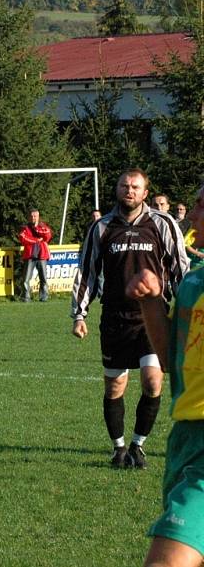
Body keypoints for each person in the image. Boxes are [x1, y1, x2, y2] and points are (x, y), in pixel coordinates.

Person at [71, 168, 188, 469]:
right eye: (124, 185)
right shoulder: (101, 228)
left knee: (152, 382)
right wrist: (79, 314)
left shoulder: (163, 224)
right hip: (114, 319)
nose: (129, 191)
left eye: (135, 186)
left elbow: (180, 269)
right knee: (114, 387)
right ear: (117, 189)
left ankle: (138, 445)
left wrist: (188, 307)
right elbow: (87, 271)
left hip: (153, 319)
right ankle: (119, 448)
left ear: (145, 193)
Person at [126, 185, 204, 567]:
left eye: (202, 206)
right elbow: (171, 359)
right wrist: (151, 303)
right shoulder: (193, 283)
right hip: (185, 438)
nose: (192, 216)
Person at [18, 208, 52, 302]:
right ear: (29, 217)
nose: (33, 218)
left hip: (42, 255)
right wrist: (37, 240)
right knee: (26, 278)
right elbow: (23, 239)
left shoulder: (43, 226)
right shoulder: (25, 228)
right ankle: (26, 297)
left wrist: (37, 229)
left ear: (38, 216)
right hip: (30, 256)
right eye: (32, 216)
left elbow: (48, 236)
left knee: (43, 278)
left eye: (35, 216)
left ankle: (44, 297)